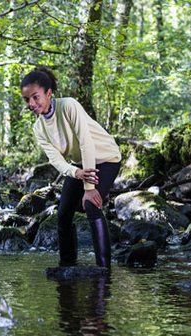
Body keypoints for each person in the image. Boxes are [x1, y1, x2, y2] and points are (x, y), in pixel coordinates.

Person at [21, 67, 121, 268]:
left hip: (106, 157)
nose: (31, 104)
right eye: (27, 100)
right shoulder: (38, 127)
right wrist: (76, 172)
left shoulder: (69, 106)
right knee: (63, 213)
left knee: (92, 204)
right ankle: (67, 266)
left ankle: (104, 270)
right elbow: (56, 160)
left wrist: (89, 189)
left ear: (49, 93)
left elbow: (86, 143)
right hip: (80, 165)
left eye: (35, 97)